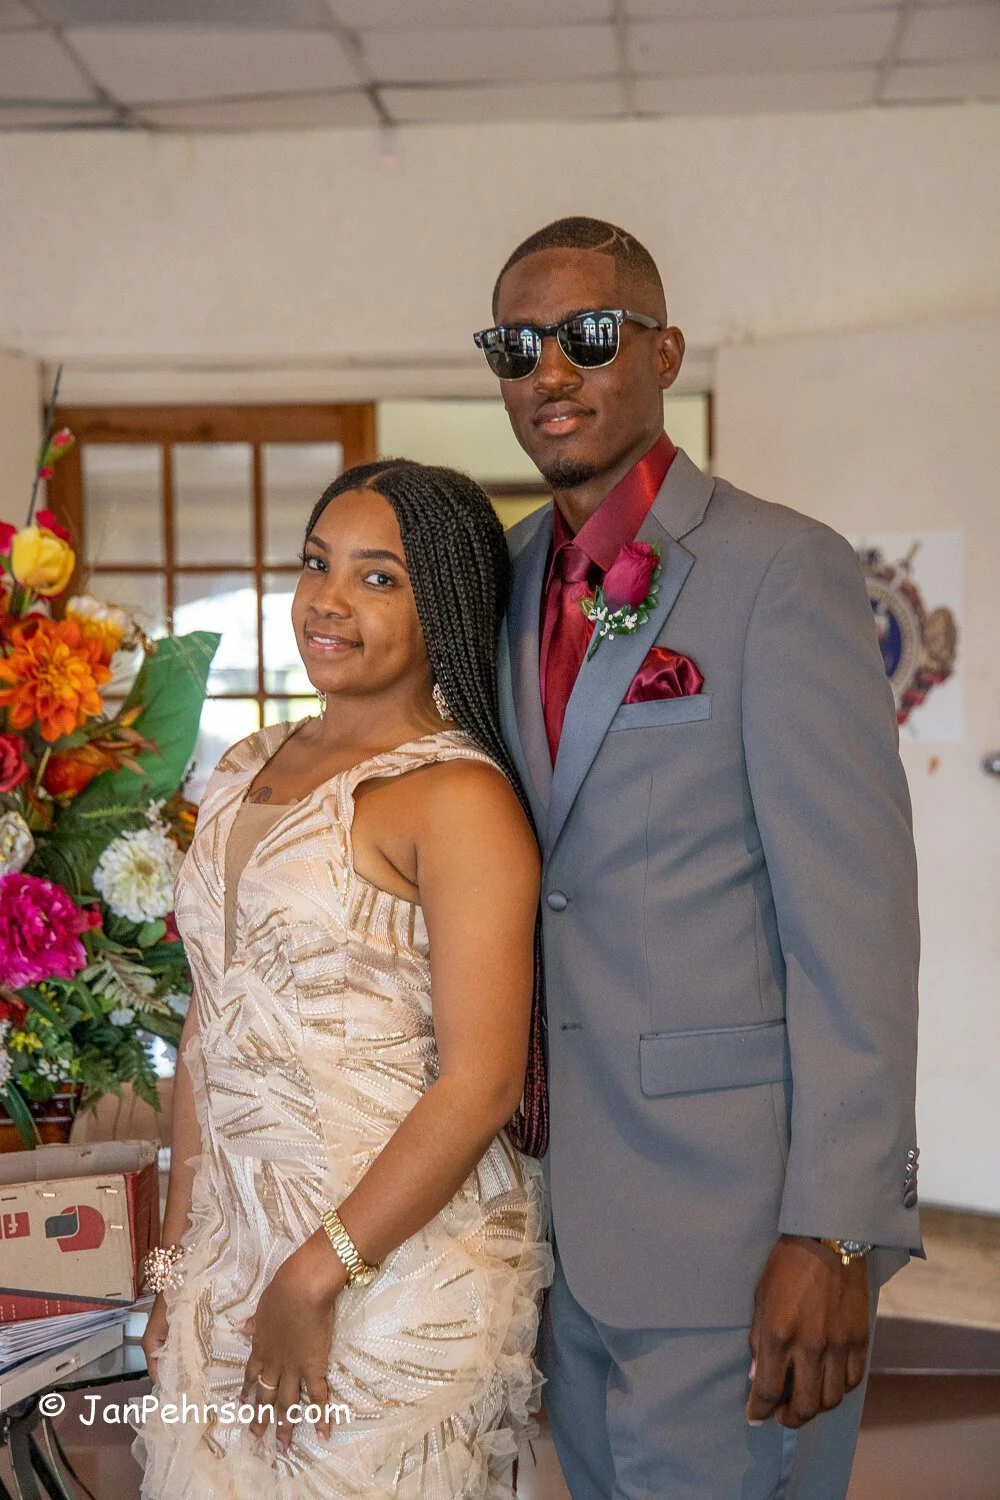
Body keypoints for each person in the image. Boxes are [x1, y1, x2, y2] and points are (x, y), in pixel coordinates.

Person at [477, 217, 921, 1500]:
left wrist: (835, 1230)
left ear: (663, 352)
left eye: (586, 335)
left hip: (737, 1232)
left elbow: (856, 932)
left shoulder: (781, 572)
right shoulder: (504, 581)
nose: (549, 371)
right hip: (556, 1230)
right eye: (516, 345)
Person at [137, 461, 552, 1499]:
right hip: (233, 1263)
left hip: (391, 1268)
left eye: (378, 578)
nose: (327, 600)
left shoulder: (456, 800)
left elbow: (482, 1083)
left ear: (444, 605)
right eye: (316, 564)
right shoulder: (245, 766)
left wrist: (317, 1274)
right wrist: (174, 1271)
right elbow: (209, 1025)